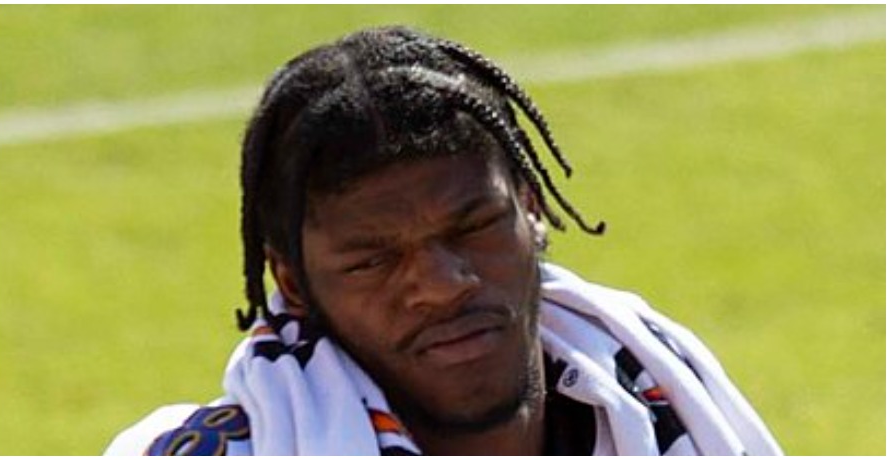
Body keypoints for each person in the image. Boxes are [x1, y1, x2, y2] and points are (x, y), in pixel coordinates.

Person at [104, 26, 782, 456]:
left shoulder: (661, 391)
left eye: (473, 227)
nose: (441, 283)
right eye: (373, 260)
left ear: (530, 207)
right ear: (293, 285)